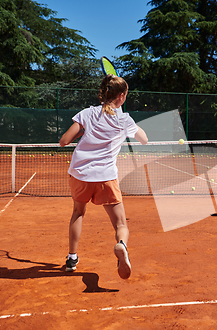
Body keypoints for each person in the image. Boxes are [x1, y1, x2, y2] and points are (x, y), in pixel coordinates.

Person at [59, 75, 148, 279]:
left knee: (78, 213)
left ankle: (72, 258)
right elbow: (144, 140)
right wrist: (125, 124)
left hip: (80, 174)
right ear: (122, 96)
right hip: (106, 177)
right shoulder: (125, 120)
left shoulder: (87, 114)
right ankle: (121, 245)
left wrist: (85, 132)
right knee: (120, 224)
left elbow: (64, 141)